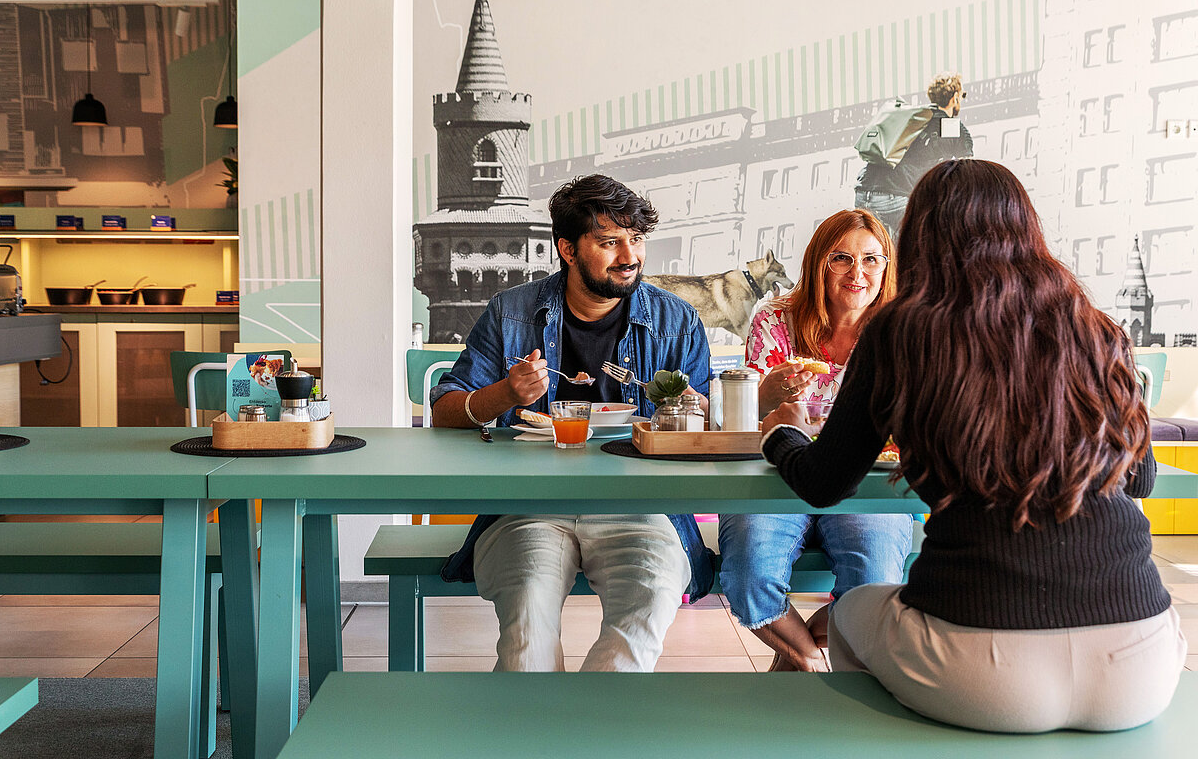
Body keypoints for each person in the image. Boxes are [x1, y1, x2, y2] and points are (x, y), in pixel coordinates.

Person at [762, 159, 1186, 732]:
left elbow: (824, 482)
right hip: (1141, 665)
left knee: (853, 611)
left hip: (984, 668)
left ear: (918, 239)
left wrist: (778, 433)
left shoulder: (898, 332)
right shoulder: (1097, 329)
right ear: (1026, 228)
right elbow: (1140, 480)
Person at [430, 173, 716, 672]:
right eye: (610, 242)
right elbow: (444, 410)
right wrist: (505, 393)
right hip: (529, 506)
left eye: (637, 239)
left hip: (640, 508)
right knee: (527, 631)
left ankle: (588, 738)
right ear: (567, 248)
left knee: (645, 612)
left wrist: (695, 410)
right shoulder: (511, 311)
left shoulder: (677, 321)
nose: (630, 255)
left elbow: (702, 430)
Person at [719, 209, 914, 672]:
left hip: (866, 480)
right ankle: (808, 659)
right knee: (748, 574)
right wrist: (769, 393)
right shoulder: (775, 318)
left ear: (887, 266)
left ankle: (792, 665)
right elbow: (750, 417)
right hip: (776, 478)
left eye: (871, 259)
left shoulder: (901, 329)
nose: (858, 272)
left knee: (875, 580)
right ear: (817, 265)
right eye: (841, 259)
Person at [854, 72, 973, 240]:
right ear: (955, 97)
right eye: (962, 96)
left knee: (880, 258)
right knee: (916, 252)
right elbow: (968, 170)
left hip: (863, 194)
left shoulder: (913, 118)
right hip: (894, 199)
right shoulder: (948, 124)